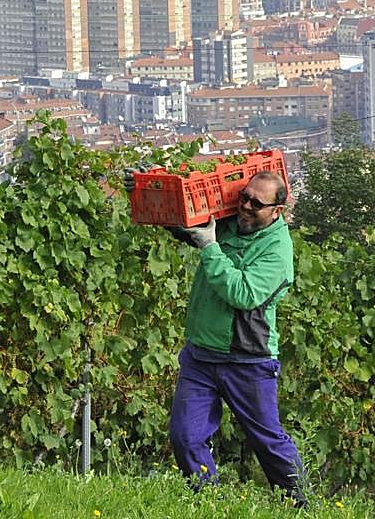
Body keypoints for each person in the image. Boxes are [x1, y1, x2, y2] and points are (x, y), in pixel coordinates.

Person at [132, 169, 307, 504]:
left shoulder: (278, 253)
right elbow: (187, 224)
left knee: (267, 440)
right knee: (185, 437)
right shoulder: (232, 222)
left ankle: (299, 504)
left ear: (276, 211)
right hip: (201, 355)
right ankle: (206, 500)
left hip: (248, 359)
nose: (245, 205)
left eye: (256, 203)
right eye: (244, 196)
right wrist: (143, 191)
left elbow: (242, 293)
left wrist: (210, 247)